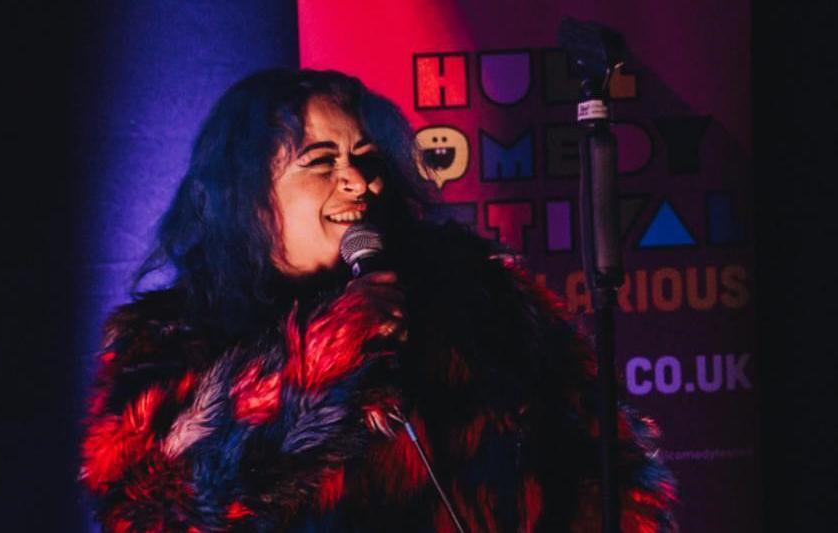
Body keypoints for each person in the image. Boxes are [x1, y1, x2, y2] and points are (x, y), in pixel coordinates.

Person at [79, 69, 676, 532]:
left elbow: (607, 466)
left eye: (365, 160)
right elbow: (149, 505)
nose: (360, 183)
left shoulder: (478, 297)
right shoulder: (169, 339)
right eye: (320, 163)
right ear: (245, 196)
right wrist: (329, 360)